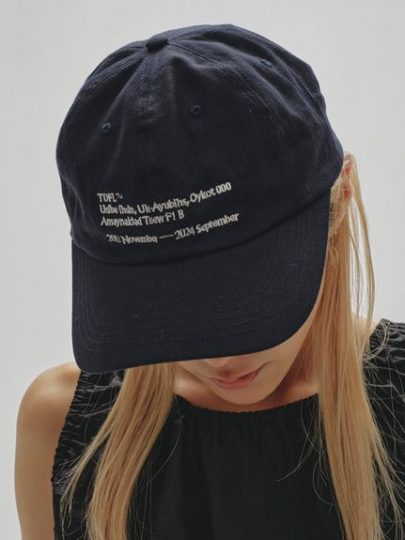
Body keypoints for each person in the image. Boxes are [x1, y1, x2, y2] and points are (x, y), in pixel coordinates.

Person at [15, 23, 405, 540]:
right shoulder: (60, 425)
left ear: (340, 202)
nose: (218, 358)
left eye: (240, 296)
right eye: (165, 305)